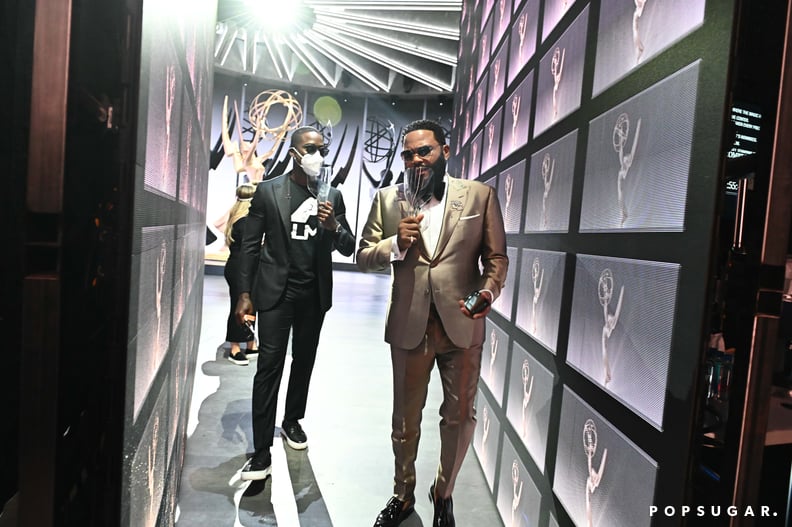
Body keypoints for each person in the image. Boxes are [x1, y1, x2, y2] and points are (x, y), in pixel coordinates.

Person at [357, 119, 508, 527]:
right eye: (408, 154)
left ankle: (443, 493)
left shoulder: (479, 195)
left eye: (424, 151)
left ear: (444, 149)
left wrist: (487, 294)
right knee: (404, 420)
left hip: (462, 323)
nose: (416, 160)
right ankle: (402, 495)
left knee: (460, 419)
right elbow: (362, 254)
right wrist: (394, 245)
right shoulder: (389, 200)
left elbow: (497, 260)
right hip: (409, 325)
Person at [235, 126, 355, 481]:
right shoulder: (269, 192)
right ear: (295, 153)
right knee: (269, 366)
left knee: (304, 361)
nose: (317, 154)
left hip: (313, 295)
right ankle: (260, 452)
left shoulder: (333, 194)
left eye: (321, 148)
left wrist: (333, 225)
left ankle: (291, 420)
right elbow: (249, 245)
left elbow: (348, 246)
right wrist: (244, 294)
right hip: (275, 293)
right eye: (310, 148)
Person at [224, 183, 258, 365]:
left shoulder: (240, 216)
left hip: (242, 267)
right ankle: (235, 348)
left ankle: (251, 343)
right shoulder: (244, 221)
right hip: (240, 269)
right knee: (238, 307)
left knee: (250, 305)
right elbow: (249, 250)